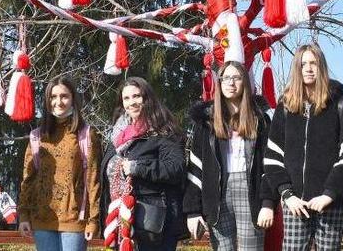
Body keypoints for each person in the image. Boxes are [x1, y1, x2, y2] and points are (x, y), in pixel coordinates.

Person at [263, 43, 343, 250]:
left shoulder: (341, 104)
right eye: (303, 64)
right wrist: (287, 195)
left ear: (322, 67)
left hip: (331, 202)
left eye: (313, 63)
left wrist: (329, 193)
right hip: (295, 203)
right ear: (297, 70)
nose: (308, 69)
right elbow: (272, 158)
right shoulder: (285, 107)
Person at [183, 61, 277, 250]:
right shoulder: (205, 123)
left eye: (236, 78)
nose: (231, 83)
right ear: (219, 83)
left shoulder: (261, 120)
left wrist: (268, 203)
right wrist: (193, 211)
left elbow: (270, 165)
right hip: (217, 194)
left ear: (245, 83)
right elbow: (195, 168)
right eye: (225, 78)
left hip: (251, 193)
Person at [100, 77, 186, 251]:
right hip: (121, 222)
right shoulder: (117, 136)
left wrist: (137, 167)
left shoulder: (163, 131)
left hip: (155, 224)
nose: (132, 102)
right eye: (126, 98)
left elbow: (176, 168)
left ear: (147, 98)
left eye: (136, 96)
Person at [18, 76, 102, 251]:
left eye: (64, 96)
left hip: (74, 218)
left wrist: (93, 219)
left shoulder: (86, 135)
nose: (59, 101)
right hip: (42, 218)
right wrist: (24, 215)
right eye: (53, 97)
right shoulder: (36, 136)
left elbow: (93, 180)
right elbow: (28, 180)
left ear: (73, 99)